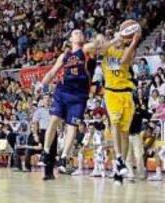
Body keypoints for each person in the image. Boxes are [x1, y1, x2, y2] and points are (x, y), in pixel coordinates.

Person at [40, 29, 96, 177]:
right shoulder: (64, 55)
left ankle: (64, 157)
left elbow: (98, 43)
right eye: (76, 33)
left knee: (72, 126)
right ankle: (45, 152)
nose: (79, 34)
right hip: (63, 91)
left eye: (81, 33)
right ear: (70, 38)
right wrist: (43, 90)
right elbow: (51, 73)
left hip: (79, 95)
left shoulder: (86, 50)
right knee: (53, 120)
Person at [95, 24, 142, 184]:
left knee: (124, 133)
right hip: (111, 92)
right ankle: (120, 158)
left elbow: (123, 61)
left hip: (126, 94)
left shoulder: (128, 51)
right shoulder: (106, 50)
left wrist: (134, 41)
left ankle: (119, 167)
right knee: (114, 122)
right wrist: (117, 37)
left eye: (123, 38)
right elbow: (100, 49)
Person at [32, 94, 58, 179]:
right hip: (44, 131)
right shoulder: (39, 111)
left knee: (53, 152)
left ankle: (51, 173)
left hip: (53, 131)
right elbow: (35, 123)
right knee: (46, 152)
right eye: (45, 99)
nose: (47, 100)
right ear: (42, 100)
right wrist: (35, 134)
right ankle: (46, 173)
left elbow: (58, 120)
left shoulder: (54, 109)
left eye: (49, 99)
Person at [126, 96, 151, 181]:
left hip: (136, 135)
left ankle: (141, 173)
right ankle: (130, 174)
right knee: (127, 156)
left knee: (139, 155)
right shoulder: (125, 110)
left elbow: (150, 116)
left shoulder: (140, 111)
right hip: (126, 136)